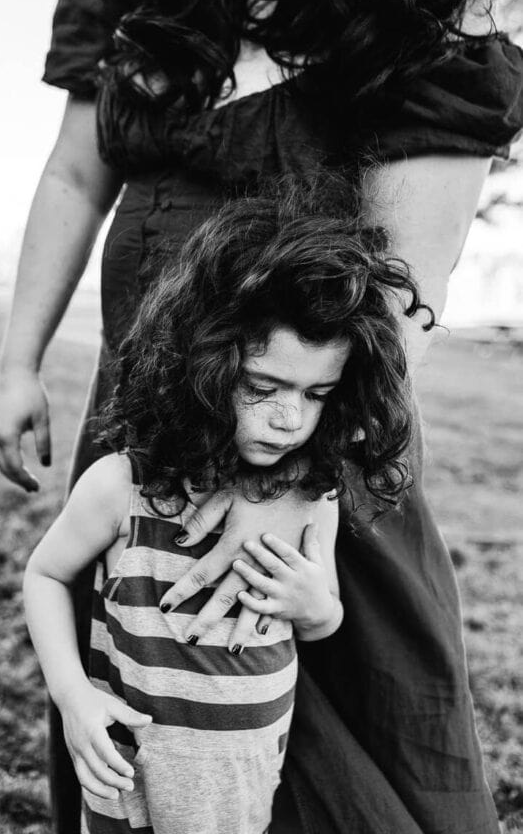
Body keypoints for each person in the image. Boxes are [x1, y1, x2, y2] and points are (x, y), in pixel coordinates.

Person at [0, 0, 523, 831]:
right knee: (146, 743)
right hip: (145, 428)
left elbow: (399, 304)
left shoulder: (417, 35)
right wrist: (18, 361)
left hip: (313, 456)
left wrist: (293, 488)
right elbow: (71, 171)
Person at [23, 189, 430, 834]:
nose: (289, 418)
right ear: (202, 366)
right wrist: (74, 699)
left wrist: (311, 604)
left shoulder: (312, 498)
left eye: (317, 393)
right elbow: (44, 576)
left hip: (245, 785)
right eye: (262, 388)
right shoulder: (120, 486)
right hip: (132, 780)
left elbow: (324, 620)